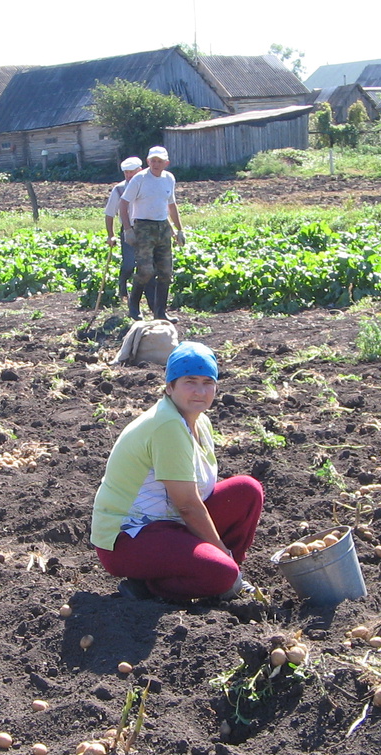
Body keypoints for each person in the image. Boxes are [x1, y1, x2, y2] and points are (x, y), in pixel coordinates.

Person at [91, 341, 263, 602]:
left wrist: (224, 555)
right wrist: (221, 553)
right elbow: (187, 506)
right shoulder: (168, 425)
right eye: (189, 381)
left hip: (169, 524)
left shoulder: (200, 421)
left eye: (208, 382)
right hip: (129, 539)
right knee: (222, 572)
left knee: (246, 492)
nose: (199, 391)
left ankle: (221, 577)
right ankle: (152, 587)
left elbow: (194, 500)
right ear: (169, 387)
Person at [118, 145, 186, 322]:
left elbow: (171, 205)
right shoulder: (139, 179)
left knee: (166, 272)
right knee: (146, 271)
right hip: (143, 227)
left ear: (166, 163)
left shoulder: (169, 178)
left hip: (162, 227)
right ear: (148, 162)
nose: (156, 164)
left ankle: (160, 312)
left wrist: (179, 229)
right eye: (153, 161)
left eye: (160, 161)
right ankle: (134, 306)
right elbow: (123, 204)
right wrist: (128, 230)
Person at [104, 156, 143, 311]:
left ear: (139, 171)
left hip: (146, 229)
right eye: (126, 173)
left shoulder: (146, 185)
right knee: (128, 263)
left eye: (131, 172)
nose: (128, 176)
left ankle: (139, 296)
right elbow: (109, 213)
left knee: (145, 265)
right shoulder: (119, 189)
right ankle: (122, 287)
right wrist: (110, 234)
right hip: (128, 230)